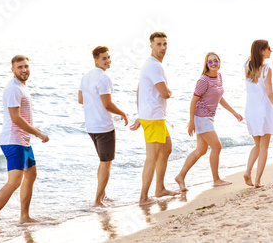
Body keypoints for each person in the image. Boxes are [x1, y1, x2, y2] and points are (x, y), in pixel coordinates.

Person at [0, 55, 49, 233]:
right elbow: (16, 118)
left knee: (31, 175)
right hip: (13, 141)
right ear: (13, 70)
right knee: (14, 182)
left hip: (23, 141)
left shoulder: (22, 87)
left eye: (26, 66)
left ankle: (24, 217)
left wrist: (31, 134)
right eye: (20, 67)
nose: (24, 70)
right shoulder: (13, 89)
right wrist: (38, 133)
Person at [175, 52, 243, 191]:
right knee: (217, 147)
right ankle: (216, 179)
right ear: (206, 64)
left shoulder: (219, 77)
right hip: (201, 117)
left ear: (219, 62)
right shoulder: (203, 81)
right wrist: (191, 121)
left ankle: (180, 176)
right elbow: (194, 100)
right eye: (210, 62)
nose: (213, 64)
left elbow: (219, 98)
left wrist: (234, 112)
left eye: (215, 61)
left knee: (201, 150)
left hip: (208, 117)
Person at [130, 32, 179, 205]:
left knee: (166, 149)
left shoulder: (151, 64)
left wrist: (139, 115)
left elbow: (139, 89)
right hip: (153, 118)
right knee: (151, 157)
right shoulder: (154, 66)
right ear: (151, 46)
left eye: (165, 44)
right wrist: (170, 91)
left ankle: (159, 188)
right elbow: (165, 93)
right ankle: (143, 197)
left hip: (153, 116)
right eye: (159, 44)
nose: (162, 48)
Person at [78, 46, 129, 207]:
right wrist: (123, 113)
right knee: (106, 163)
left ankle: (102, 195)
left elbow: (81, 99)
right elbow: (107, 104)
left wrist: (93, 105)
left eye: (108, 57)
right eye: (104, 58)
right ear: (96, 60)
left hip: (91, 126)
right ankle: (98, 200)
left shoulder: (85, 77)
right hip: (104, 126)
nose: (108, 61)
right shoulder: (104, 79)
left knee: (103, 162)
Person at [243, 40, 273, 188]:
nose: (270, 51)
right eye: (268, 48)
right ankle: (257, 181)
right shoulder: (267, 69)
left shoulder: (246, 66)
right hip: (263, 110)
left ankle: (247, 171)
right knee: (264, 147)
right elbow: (269, 93)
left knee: (257, 144)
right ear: (262, 51)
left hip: (250, 110)